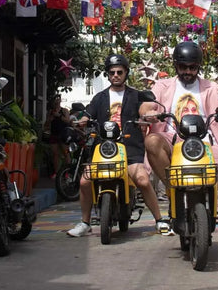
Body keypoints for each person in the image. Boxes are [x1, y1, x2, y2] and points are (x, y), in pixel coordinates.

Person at [140, 41, 218, 261]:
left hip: (206, 143)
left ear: (198, 66)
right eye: (183, 67)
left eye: (192, 67)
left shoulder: (211, 87)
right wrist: (148, 112)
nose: (188, 72)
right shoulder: (162, 85)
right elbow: (148, 104)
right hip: (172, 140)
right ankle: (172, 188)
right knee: (151, 141)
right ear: (176, 65)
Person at [67, 54, 170, 237]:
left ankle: (159, 220)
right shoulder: (99, 97)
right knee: (84, 181)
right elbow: (88, 114)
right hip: (104, 149)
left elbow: (145, 108)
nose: (116, 75)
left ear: (126, 73)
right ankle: (85, 222)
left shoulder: (136, 95)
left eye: (119, 72)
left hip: (130, 147)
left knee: (143, 181)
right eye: (112, 72)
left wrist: (148, 114)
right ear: (107, 74)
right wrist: (82, 120)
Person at [44, 95, 71, 178]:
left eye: (58, 99)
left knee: (66, 153)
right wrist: (50, 119)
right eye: (55, 99)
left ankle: (67, 172)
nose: (56, 101)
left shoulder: (64, 110)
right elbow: (46, 124)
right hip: (54, 134)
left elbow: (68, 121)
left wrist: (58, 116)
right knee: (55, 154)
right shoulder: (50, 111)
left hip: (63, 134)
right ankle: (56, 172)